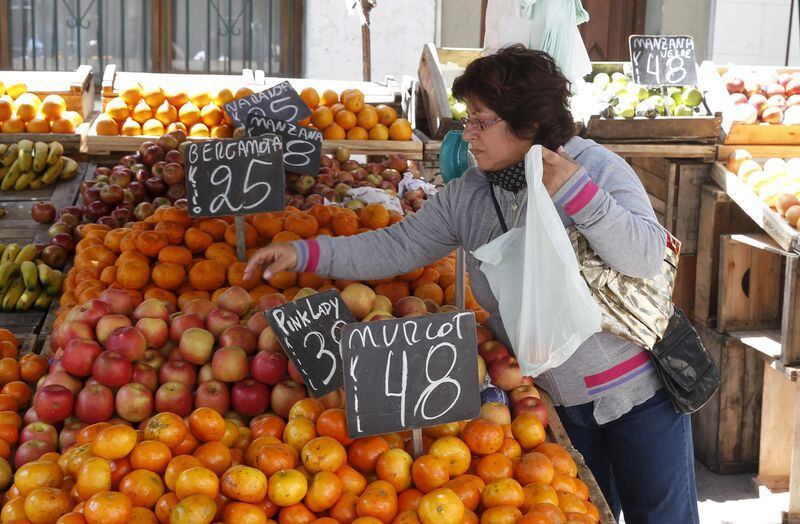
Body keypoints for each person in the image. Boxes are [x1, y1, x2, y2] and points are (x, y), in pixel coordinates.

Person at [244, 44, 699, 524]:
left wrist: (580, 192)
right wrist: (304, 253)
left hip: (639, 396)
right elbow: (397, 246)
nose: (469, 135)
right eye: (469, 120)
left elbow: (646, 257)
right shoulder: (471, 196)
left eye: (481, 121)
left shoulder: (595, 166)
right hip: (549, 406)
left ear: (526, 123)